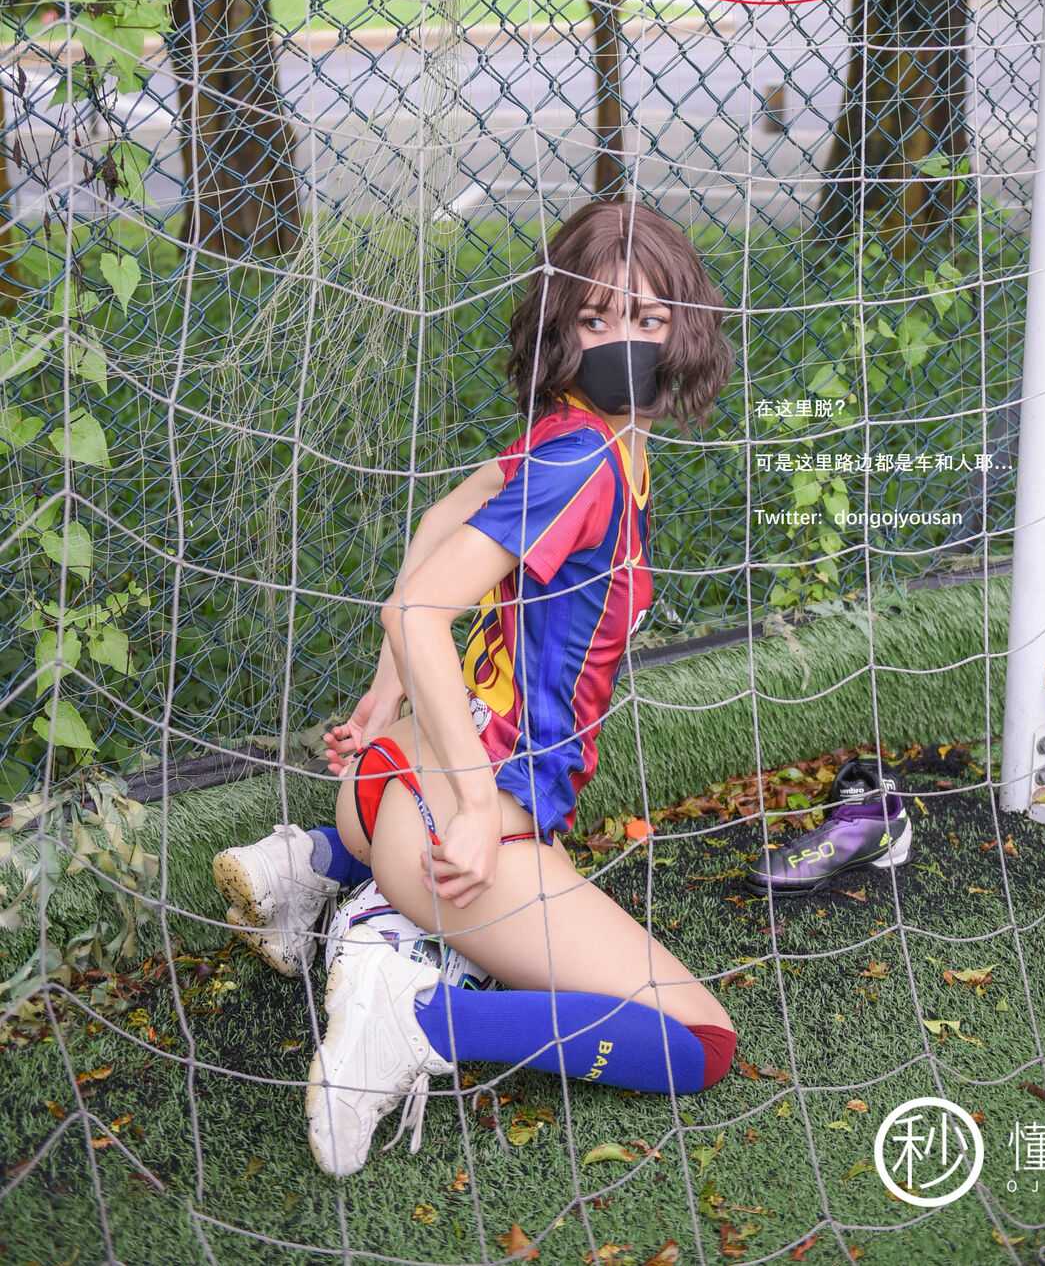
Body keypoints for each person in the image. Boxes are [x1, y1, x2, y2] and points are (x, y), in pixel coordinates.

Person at [212, 200, 739, 1176]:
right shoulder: (585, 460)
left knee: (522, 877)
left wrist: (382, 703)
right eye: (595, 318)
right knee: (698, 1040)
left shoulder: (584, 435)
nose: (622, 340)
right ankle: (415, 1018)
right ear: (558, 327)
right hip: (454, 820)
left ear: (684, 329)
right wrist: (465, 806)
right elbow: (418, 610)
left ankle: (314, 863)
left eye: (647, 317)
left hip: (387, 783)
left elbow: (433, 525)